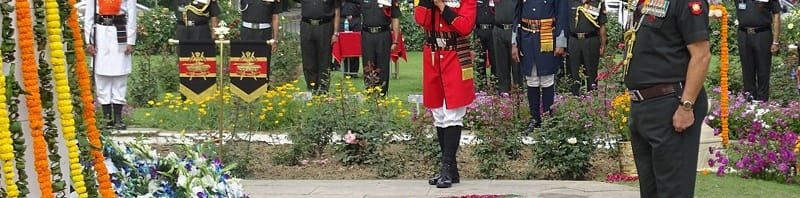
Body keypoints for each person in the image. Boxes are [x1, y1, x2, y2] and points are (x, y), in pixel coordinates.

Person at [624, 0, 710, 197]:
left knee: (673, 190)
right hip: (643, 105)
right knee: (650, 190)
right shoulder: (644, 2)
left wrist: (686, 106)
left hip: (671, 104)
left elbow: (701, 56)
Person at [414, 0, 476, 188]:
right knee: (439, 114)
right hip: (433, 57)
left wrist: (442, 6)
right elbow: (420, 19)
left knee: (453, 113)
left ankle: (447, 167)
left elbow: (464, 27)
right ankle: (450, 169)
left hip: (455, 56)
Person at [514, 0, 568, 131]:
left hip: (547, 36)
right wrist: (514, 41)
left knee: (546, 78)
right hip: (527, 38)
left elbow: (562, 15)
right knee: (531, 78)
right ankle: (534, 119)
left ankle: (548, 118)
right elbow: (516, 15)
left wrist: (561, 41)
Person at [85, 0, 138, 130]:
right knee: (101, 74)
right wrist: (88, 41)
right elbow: (89, 16)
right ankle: (107, 118)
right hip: (100, 34)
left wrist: (131, 41)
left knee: (120, 74)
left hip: (120, 31)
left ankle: (118, 118)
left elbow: (132, 15)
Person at [736, 0, 781, 101]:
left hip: (762, 34)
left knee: (763, 71)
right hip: (744, 34)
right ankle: (749, 103)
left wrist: (776, 41)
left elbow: (776, 14)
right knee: (747, 72)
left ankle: (762, 104)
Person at [299, 0, 341, 94]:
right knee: (308, 60)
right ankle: (311, 88)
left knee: (324, 60)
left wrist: (335, 33)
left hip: (325, 26)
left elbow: (337, 11)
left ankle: (323, 90)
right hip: (307, 26)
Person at [360, 0, 401, 96]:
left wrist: (395, 40)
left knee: (383, 67)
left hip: (383, 34)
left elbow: (395, 18)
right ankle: (370, 96)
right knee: (368, 66)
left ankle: (382, 95)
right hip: (367, 34)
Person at [567, 0, 606, 95]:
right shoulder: (569, 2)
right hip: (574, 41)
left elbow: (602, 25)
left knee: (591, 72)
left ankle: (591, 100)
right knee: (574, 73)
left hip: (591, 40)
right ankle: (575, 100)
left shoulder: (597, 3)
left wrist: (603, 45)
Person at [493, 0, 524, 93]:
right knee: (501, 66)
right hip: (498, 29)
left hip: (514, 29)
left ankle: (518, 94)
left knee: (517, 66)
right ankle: (504, 95)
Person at [333, 0, 362, 77]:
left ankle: (354, 71)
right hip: (342, 19)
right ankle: (345, 70)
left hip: (355, 19)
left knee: (355, 46)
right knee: (344, 46)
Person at [474, 0, 495, 91]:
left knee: (494, 59)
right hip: (479, 31)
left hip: (492, 31)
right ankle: (481, 85)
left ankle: (495, 85)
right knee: (480, 60)